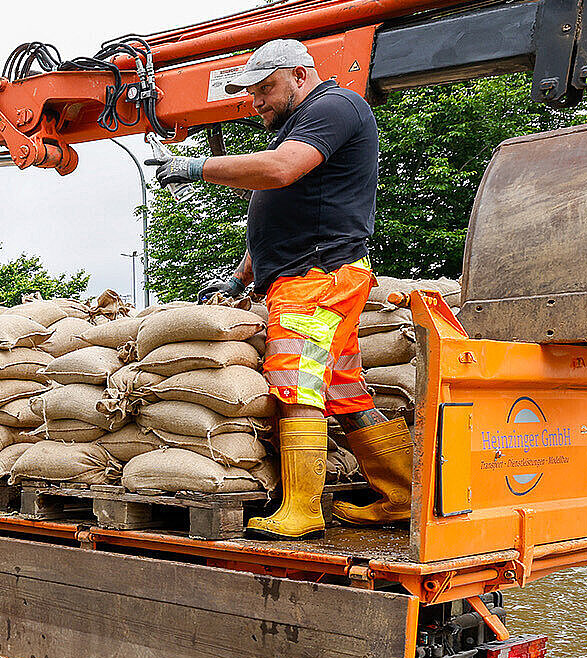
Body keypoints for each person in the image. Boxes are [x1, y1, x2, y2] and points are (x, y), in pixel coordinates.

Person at [148, 38, 413, 539]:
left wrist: (196, 167)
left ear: (299, 74)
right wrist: (242, 276)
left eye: (265, 88)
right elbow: (282, 213)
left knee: (295, 383)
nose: (257, 102)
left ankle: (303, 509)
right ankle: (400, 494)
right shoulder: (303, 121)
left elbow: (279, 171)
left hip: (317, 277)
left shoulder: (334, 106)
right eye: (251, 94)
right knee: (342, 390)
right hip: (310, 272)